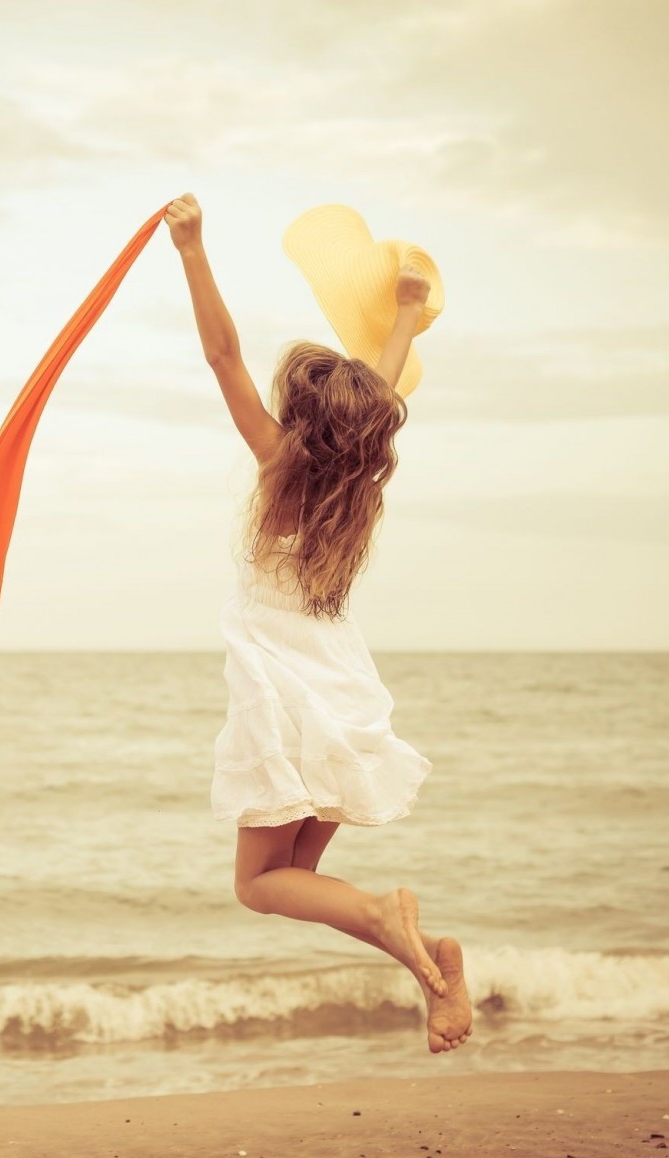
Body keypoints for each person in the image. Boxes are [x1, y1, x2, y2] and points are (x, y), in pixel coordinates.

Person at [166, 192, 472, 1054]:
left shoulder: (277, 468)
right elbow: (375, 381)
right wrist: (407, 312)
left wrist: (192, 249)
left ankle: (385, 913)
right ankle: (434, 972)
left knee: (260, 887)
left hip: (282, 690)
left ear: (298, 422)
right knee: (293, 877)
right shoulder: (361, 491)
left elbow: (220, 353)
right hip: (339, 687)